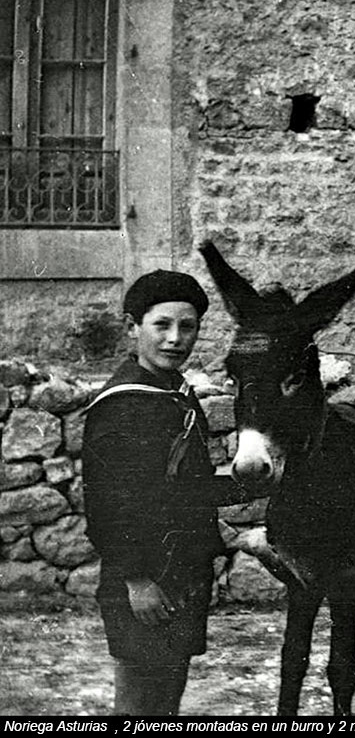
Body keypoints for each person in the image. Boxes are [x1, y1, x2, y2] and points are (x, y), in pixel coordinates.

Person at [83, 270, 246, 715]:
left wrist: (245, 487)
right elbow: (106, 503)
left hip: (183, 572)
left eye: (187, 326)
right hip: (142, 578)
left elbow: (183, 489)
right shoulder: (122, 404)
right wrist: (136, 580)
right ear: (132, 327)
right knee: (138, 700)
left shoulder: (175, 394)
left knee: (168, 696)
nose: (176, 338)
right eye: (162, 325)